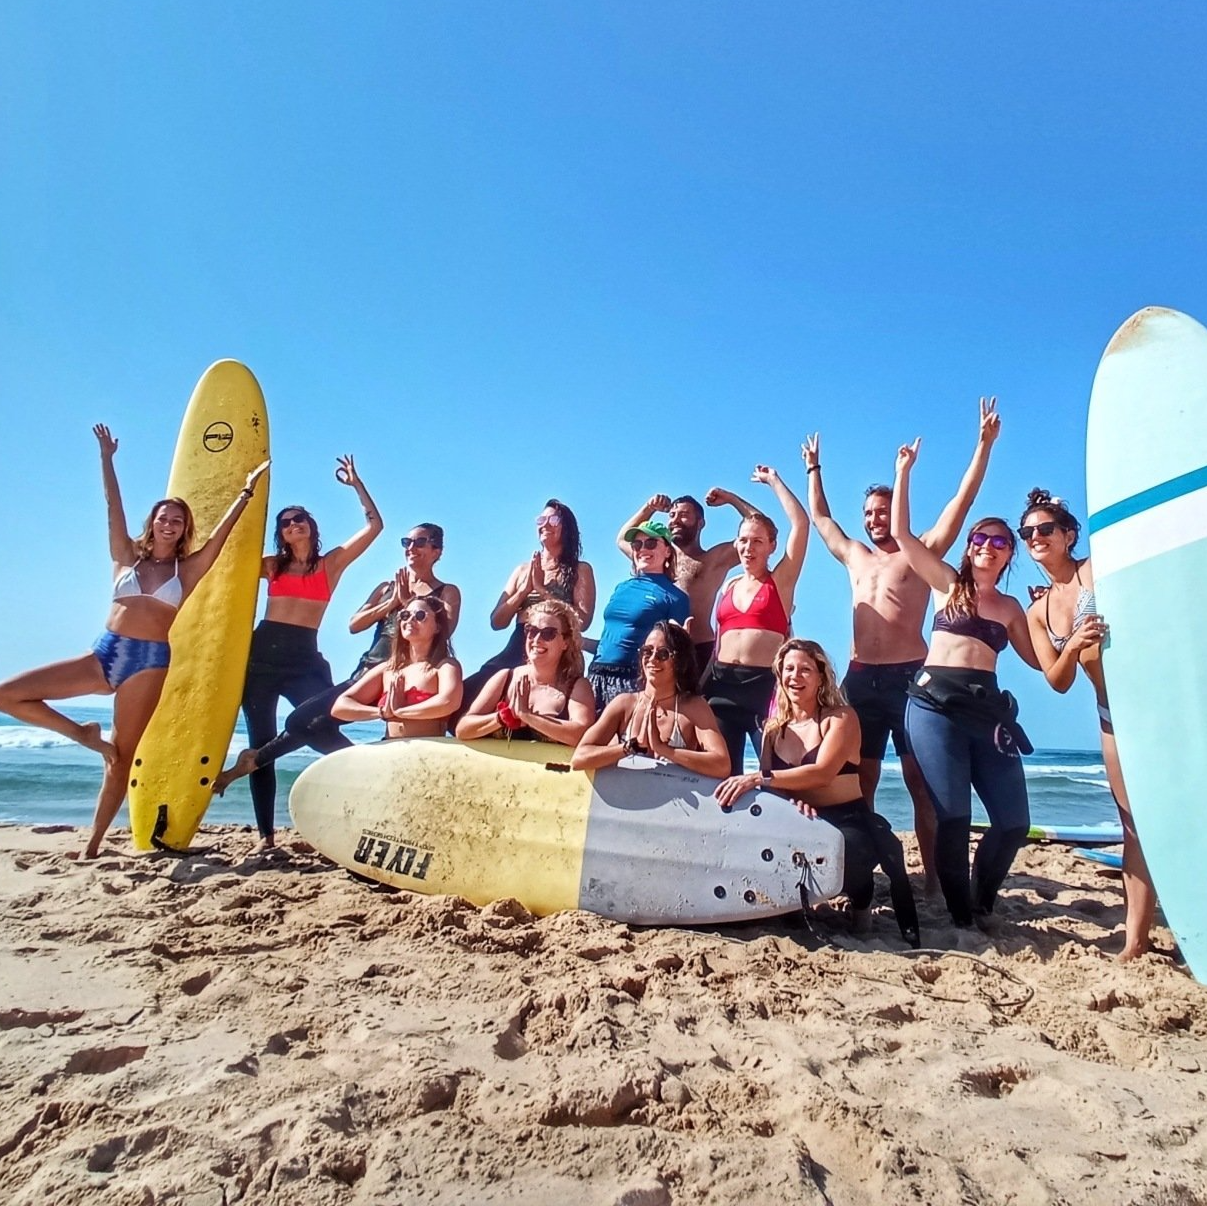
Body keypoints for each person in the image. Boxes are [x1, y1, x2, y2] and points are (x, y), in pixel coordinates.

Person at [0, 424, 268, 858]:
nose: (170, 523)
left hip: (148, 662)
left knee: (121, 759)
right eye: (164, 517)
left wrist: (246, 493)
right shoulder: (125, 556)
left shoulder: (188, 570)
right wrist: (107, 459)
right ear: (154, 522)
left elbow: (220, 538)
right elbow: (112, 507)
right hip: (104, 652)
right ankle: (84, 734)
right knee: (8, 694)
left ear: (184, 530)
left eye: (178, 520)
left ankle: (92, 845)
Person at [805, 397, 1002, 893]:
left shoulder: (922, 551)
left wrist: (983, 445)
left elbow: (963, 501)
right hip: (859, 679)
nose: (875, 519)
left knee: (921, 785)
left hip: (910, 679)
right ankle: (866, 872)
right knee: (859, 782)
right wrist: (813, 469)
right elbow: (822, 518)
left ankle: (933, 880)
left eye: (882, 511)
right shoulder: (855, 556)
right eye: (869, 512)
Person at [890, 437, 1041, 928]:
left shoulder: (1012, 608)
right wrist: (905, 471)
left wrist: (1050, 616)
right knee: (952, 817)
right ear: (969, 547)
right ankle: (960, 915)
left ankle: (982, 897)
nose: (988, 547)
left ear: (1009, 553)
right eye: (980, 539)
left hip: (986, 712)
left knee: (1014, 822)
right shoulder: (947, 585)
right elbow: (902, 534)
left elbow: (1041, 662)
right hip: (933, 707)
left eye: (1000, 542)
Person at [212, 522, 458, 795]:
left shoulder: (446, 591)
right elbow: (354, 624)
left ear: (437, 551)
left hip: (409, 676)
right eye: (407, 542)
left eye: (420, 542)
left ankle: (256, 759)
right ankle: (368, 771)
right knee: (307, 723)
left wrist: (412, 603)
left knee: (308, 723)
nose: (411, 548)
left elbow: (446, 629)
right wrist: (392, 604)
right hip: (368, 672)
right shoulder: (386, 587)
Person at [1019, 488, 1156, 960]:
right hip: (1110, 713)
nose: (1035, 537)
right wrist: (1074, 642)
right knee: (1132, 824)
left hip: (1151, 702)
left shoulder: (1095, 570)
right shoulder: (1038, 611)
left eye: (1045, 529)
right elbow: (1057, 680)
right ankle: (1135, 942)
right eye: (1028, 532)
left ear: (1069, 534)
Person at [713, 639, 919, 946]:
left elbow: (822, 773)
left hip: (847, 816)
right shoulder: (772, 730)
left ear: (821, 676)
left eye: (805, 670)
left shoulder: (841, 717)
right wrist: (790, 803)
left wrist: (758, 777)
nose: (796, 676)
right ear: (779, 675)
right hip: (800, 816)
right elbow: (779, 790)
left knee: (845, 854)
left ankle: (861, 900)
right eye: (789, 669)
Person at [232, 456, 384, 848]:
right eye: (285, 522)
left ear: (310, 527)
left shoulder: (330, 564)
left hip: (305, 659)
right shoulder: (269, 566)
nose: (293, 524)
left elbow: (374, 527)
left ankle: (369, 793)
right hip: (261, 657)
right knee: (263, 741)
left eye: (300, 519)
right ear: (280, 534)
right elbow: (226, 555)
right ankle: (266, 836)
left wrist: (356, 484)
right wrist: (245, 493)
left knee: (323, 731)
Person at [703, 464, 810, 775]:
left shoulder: (781, 582)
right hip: (722, 685)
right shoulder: (729, 585)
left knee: (773, 770)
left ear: (771, 546)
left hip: (763, 687)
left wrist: (774, 481)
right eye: (744, 541)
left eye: (758, 542)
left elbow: (800, 524)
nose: (749, 547)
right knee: (722, 772)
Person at [460, 501, 595, 714]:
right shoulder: (523, 569)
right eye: (541, 520)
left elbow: (582, 622)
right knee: (468, 692)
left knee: (551, 702)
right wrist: (523, 591)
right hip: (520, 642)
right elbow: (497, 621)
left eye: (553, 520)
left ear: (567, 527)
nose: (545, 525)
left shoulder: (580, 569)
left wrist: (542, 590)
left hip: (557, 645)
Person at [615, 487, 757, 680]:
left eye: (683, 515)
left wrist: (732, 499)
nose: (674, 520)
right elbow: (623, 539)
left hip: (700, 649)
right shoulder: (657, 555)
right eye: (672, 515)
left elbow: (761, 529)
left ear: (700, 522)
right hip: (660, 651)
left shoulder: (712, 560)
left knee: (694, 705)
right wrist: (649, 508)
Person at [572, 621, 729, 777]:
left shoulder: (693, 707)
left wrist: (665, 750)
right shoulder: (625, 704)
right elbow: (579, 758)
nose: (652, 659)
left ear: (680, 662)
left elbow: (722, 765)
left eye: (663, 654)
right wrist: (629, 747)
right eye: (647, 651)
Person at [455, 599, 595, 746]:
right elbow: (463, 729)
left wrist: (528, 716)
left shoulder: (576, 686)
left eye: (548, 633)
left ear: (566, 642)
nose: (537, 639)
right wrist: (502, 718)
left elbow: (582, 735)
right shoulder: (505, 677)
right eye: (531, 631)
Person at [587, 521, 690, 710]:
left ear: (668, 551)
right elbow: (609, 641)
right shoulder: (621, 588)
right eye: (637, 544)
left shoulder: (675, 597)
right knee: (587, 739)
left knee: (626, 740)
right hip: (596, 674)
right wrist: (578, 641)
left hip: (633, 681)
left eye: (651, 543)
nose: (642, 549)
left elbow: (675, 654)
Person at [331, 595, 462, 737]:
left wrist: (400, 712)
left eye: (419, 615)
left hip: (428, 751)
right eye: (405, 615)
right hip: (390, 750)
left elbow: (449, 702)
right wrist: (381, 712)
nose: (410, 620)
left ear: (437, 626)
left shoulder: (445, 666)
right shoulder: (388, 669)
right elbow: (340, 707)